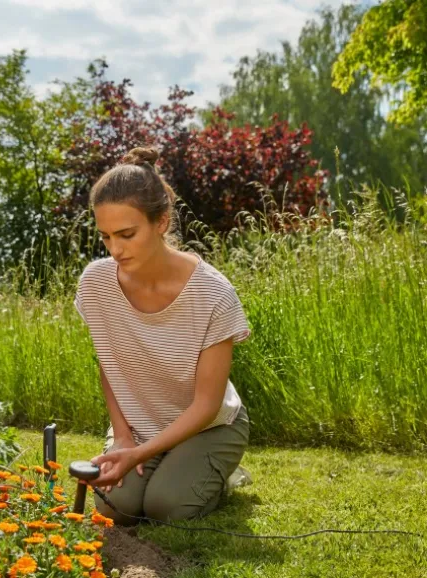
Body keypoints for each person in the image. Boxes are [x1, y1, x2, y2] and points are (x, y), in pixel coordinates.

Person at [73, 146, 252, 526]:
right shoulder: (95, 284)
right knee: (114, 507)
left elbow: (206, 405)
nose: (115, 250)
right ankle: (170, 467)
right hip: (141, 425)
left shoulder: (213, 294)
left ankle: (221, 473)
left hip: (210, 425)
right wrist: (123, 439)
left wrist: (138, 457)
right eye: (105, 237)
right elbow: (109, 362)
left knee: (166, 508)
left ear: (162, 222)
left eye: (126, 234)